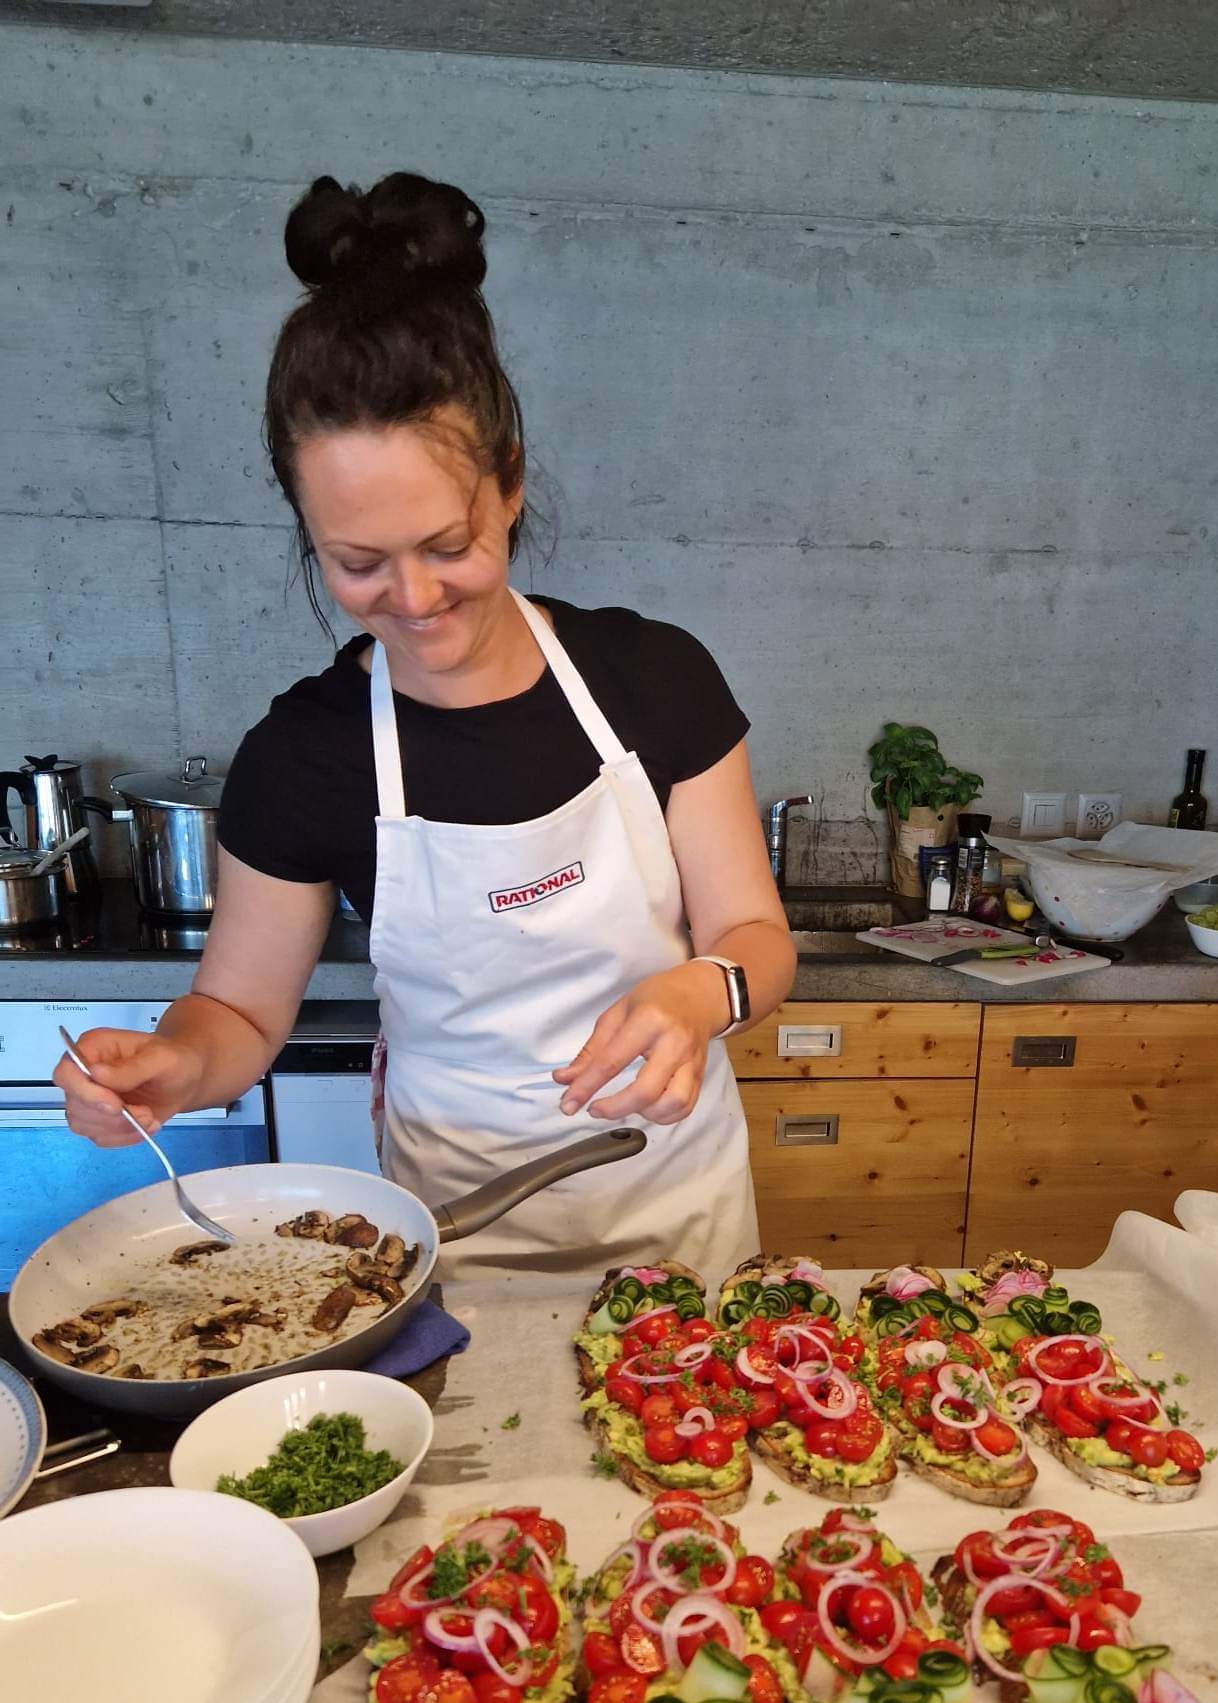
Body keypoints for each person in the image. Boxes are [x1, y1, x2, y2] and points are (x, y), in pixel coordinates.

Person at [55, 172, 795, 1278]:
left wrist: (704, 989)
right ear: (307, 530)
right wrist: (173, 1064)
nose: (413, 597)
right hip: (457, 1241)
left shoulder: (655, 679)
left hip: (679, 1220)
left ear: (509, 483)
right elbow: (238, 1014)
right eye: (358, 562)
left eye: (448, 545)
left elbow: (756, 936)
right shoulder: (305, 755)